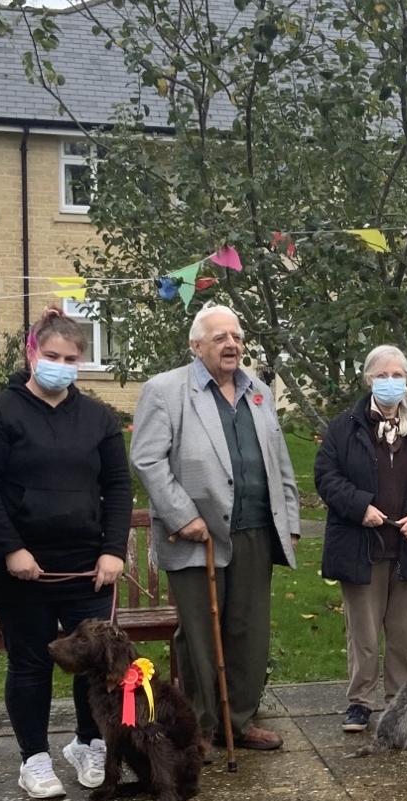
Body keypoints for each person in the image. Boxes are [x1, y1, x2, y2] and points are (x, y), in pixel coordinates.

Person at [0, 307, 133, 798]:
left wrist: (113, 550)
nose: (61, 365)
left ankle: (89, 743)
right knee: (31, 663)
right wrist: (11, 548)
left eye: (70, 358)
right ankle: (33, 757)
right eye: (52, 356)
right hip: (21, 570)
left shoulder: (98, 417)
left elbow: (118, 486)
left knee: (96, 663)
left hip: (87, 568)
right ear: (31, 353)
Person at [131, 304, 300, 753]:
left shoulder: (257, 391)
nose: (232, 345)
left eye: (237, 337)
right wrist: (182, 515)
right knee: (201, 636)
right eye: (220, 337)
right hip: (195, 534)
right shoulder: (166, 390)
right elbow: (147, 459)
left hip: (255, 529)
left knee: (248, 630)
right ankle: (199, 728)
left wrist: (288, 520)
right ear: (196, 345)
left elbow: (278, 460)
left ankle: (238, 721)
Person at [314, 345, 407, 733]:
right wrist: (360, 506)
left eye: (397, 376)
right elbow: (326, 477)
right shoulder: (344, 427)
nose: (390, 382)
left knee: (405, 635)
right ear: (368, 380)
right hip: (361, 546)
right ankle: (360, 701)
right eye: (382, 375)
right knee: (364, 634)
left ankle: (400, 702)